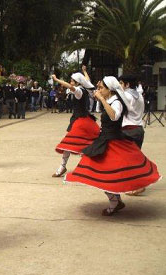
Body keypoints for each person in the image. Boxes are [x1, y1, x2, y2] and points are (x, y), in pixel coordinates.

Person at [65, 77, 161, 216]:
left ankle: (115, 202)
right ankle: (116, 201)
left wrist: (102, 100)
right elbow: (90, 89)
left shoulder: (116, 102)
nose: (100, 91)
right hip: (105, 139)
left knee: (106, 175)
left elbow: (114, 116)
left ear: (109, 89)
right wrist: (98, 95)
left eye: (102, 88)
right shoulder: (111, 99)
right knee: (99, 174)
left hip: (113, 142)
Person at [51, 72, 100, 177]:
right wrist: (85, 71)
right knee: (76, 144)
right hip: (81, 119)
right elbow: (86, 79)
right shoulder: (83, 89)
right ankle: (66, 167)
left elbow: (69, 86)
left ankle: (65, 167)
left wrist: (56, 79)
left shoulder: (79, 91)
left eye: (72, 81)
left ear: (77, 82)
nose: (70, 82)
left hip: (80, 121)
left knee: (70, 143)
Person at [119, 75, 146, 196]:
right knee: (134, 158)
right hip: (139, 129)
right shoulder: (139, 95)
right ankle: (134, 183)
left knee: (128, 159)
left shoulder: (127, 96)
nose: (120, 86)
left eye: (121, 83)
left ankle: (138, 185)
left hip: (129, 130)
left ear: (127, 84)